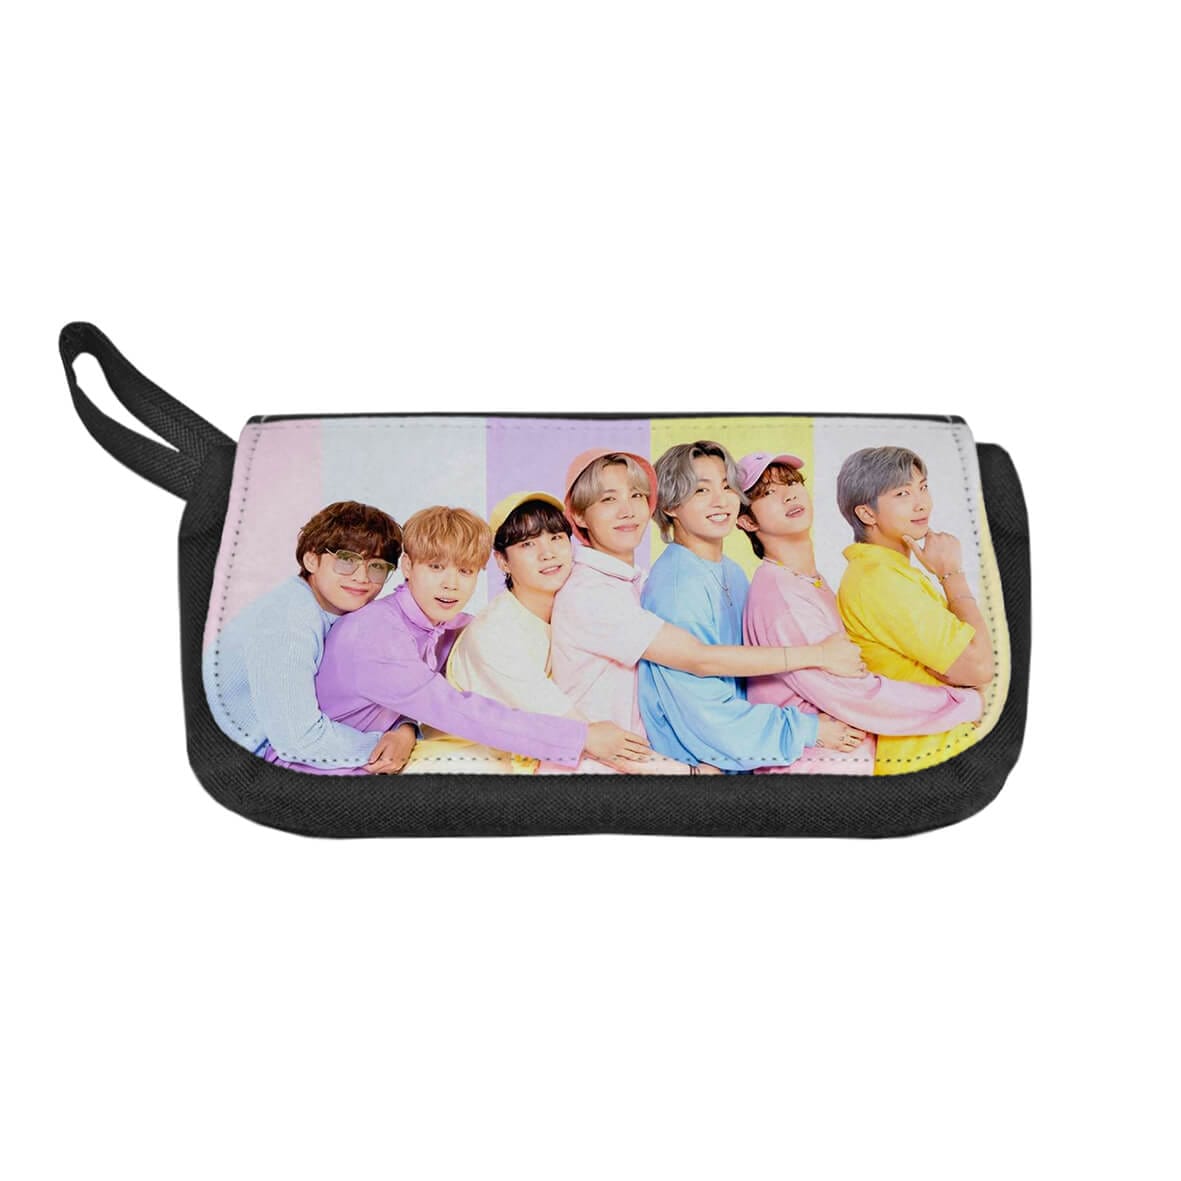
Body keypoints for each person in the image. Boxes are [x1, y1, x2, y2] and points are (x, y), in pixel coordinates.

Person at [551, 448, 866, 774]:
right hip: (627, 772)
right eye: (701, 490)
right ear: (670, 506)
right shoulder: (611, 592)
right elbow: (700, 666)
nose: (627, 510)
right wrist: (807, 719)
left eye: (727, 486)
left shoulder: (718, 574)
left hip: (704, 759)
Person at [312, 505, 648, 774]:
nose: (451, 584)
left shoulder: (450, 627)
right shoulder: (375, 632)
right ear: (408, 566)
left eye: (465, 571)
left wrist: (405, 728)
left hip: (376, 766)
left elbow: (408, 702)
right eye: (436, 567)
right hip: (328, 775)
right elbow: (456, 711)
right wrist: (581, 737)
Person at [736, 452, 983, 774]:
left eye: (793, 482)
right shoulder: (781, 597)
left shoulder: (806, 581)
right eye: (768, 493)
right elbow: (853, 695)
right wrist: (963, 702)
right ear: (747, 521)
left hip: (844, 767)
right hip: (816, 775)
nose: (789, 495)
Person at [445, 490, 663, 773]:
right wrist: (687, 773)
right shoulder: (496, 634)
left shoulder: (573, 606)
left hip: (527, 762)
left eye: (557, 538)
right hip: (468, 768)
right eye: (527, 544)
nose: (547, 554)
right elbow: (584, 736)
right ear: (502, 561)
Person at [203, 500, 417, 774]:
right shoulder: (288, 620)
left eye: (377, 566)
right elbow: (299, 740)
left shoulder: (347, 615)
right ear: (311, 560)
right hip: (231, 762)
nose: (362, 577)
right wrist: (385, 745)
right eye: (346, 560)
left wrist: (405, 730)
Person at [835, 446, 995, 774]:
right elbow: (979, 667)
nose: (922, 503)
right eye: (902, 493)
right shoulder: (880, 580)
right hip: (929, 757)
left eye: (923, 487)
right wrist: (952, 575)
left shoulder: (890, 572)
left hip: (938, 749)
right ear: (867, 514)